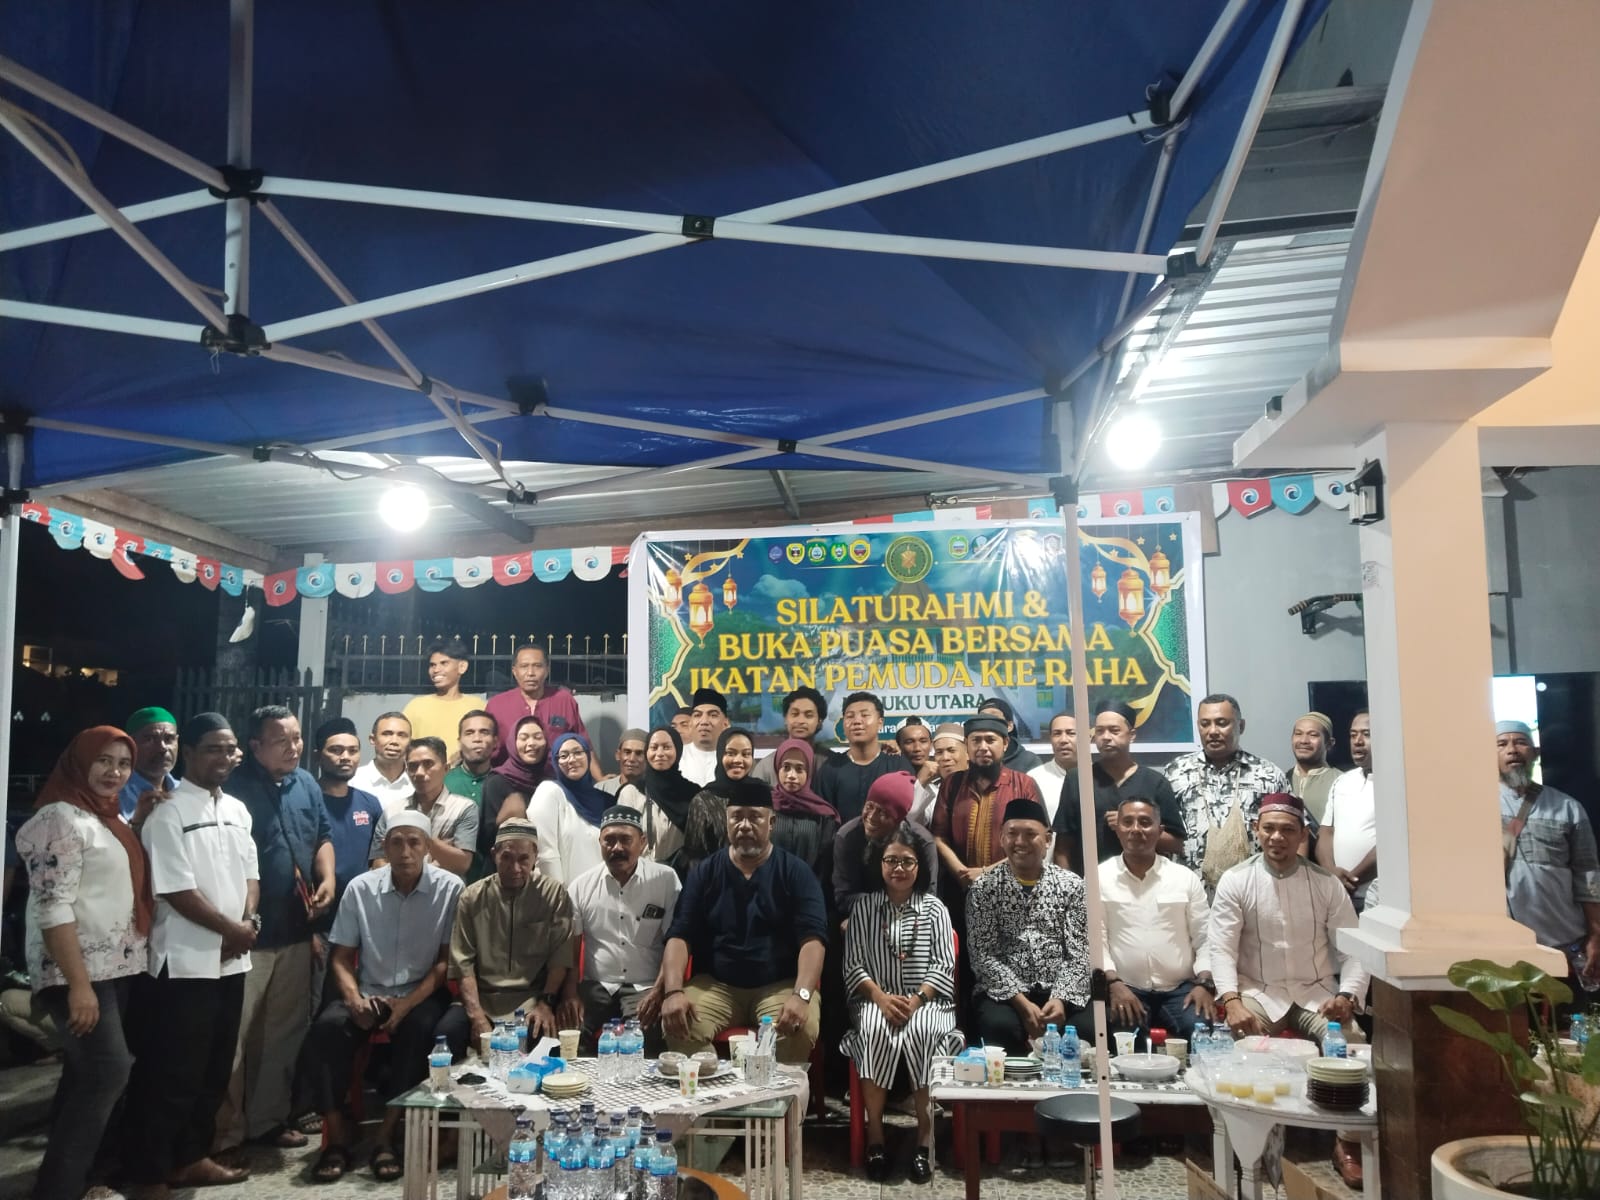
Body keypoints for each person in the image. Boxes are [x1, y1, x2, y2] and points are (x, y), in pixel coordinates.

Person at [14, 727, 151, 1200]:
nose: (114, 772)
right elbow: (52, 907)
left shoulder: (104, 816)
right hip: (77, 971)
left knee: (86, 1077)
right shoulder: (58, 818)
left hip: (114, 966)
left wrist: (137, 822)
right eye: (103, 760)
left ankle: (83, 1182)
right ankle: (59, 1189)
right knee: (107, 1071)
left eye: (123, 763)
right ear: (79, 761)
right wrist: (78, 985)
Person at [125, 713, 258, 1197]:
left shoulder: (239, 810)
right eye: (212, 749)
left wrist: (248, 925)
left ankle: (190, 1157)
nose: (224, 757)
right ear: (190, 754)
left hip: (231, 961)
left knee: (214, 1070)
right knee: (171, 1074)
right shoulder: (168, 812)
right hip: (182, 963)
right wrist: (231, 930)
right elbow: (174, 889)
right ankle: (147, 1174)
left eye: (230, 749)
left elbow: (251, 876)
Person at [1210, 792, 1368, 1187]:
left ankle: (1348, 1143)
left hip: (1316, 994)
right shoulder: (1237, 880)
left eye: (1286, 830)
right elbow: (1221, 949)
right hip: (1258, 992)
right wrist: (1231, 1000)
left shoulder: (1326, 884)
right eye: (1269, 829)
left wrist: (1347, 996)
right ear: (1256, 830)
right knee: (1242, 1039)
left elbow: (1353, 950)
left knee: (1351, 1042)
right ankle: (1252, 1145)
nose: (1277, 837)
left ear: (1302, 835)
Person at [303, 812, 464, 1184]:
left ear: (427, 847)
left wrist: (405, 1005)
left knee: (421, 1029)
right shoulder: (360, 888)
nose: (405, 851)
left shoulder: (450, 888)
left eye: (414, 842)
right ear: (384, 847)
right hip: (369, 991)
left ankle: (385, 1136)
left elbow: (444, 964)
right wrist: (355, 1000)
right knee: (326, 1029)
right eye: (396, 842)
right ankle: (337, 1135)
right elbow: (341, 958)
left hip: (420, 992)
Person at [217, 706, 335, 1157]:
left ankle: (267, 1120)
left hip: (297, 929)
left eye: (297, 738)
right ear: (255, 746)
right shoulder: (232, 788)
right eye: (281, 740)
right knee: (235, 1036)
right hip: (245, 935)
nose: (294, 747)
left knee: (283, 1034)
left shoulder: (306, 783)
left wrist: (328, 878)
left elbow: (322, 835)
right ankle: (224, 1132)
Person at [659, 782, 828, 1063]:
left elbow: (813, 941)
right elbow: (680, 935)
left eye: (754, 817)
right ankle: (720, 1086)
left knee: (800, 1027)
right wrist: (673, 991)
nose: (745, 825)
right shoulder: (705, 872)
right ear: (726, 822)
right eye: (737, 817)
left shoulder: (796, 872)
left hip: (779, 985)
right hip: (717, 986)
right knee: (678, 1022)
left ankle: (770, 1092)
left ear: (771, 823)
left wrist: (801, 995)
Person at [842, 826, 961, 1185]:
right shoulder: (863, 907)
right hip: (875, 999)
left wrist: (917, 999)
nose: (898, 868)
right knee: (874, 1030)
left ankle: (925, 1137)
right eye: (891, 860)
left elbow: (944, 964)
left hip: (927, 1000)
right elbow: (853, 965)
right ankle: (876, 1136)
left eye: (907, 861)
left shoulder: (935, 909)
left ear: (919, 866)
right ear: (879, 864)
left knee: (924, 1031)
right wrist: (880, 998)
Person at [965, 797, 1091, 1052]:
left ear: (1048, 840)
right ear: (1002, 839)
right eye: (1012, 834)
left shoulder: (1072, 886)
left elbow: (1080, 952)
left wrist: (1060, 999)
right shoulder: (983, 888)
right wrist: (1022, 1004)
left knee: (1086, 1028)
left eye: (1030, 834)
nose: (1020, 842)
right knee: (1000, 1026)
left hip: (1062, 990)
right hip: (1005, 994)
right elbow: (982, 955)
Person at [442, 818, 576, 1051]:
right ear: (494, 854)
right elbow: (463, 965)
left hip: (532, 999)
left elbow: (560, 958)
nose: (515, 868)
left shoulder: (553, 894)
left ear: (535, 857)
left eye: (524, 859)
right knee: (448, 1033)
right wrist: (476, 1016)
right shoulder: (472, 898)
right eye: (506, 858)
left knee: (542, 1039)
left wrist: (546, 1003)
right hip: (482, 999)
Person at [561, 807, 681, 1054]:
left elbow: (674, 944)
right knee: (570, 1034)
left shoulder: (666, 880)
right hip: (597, 986)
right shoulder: (581, 886)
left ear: (642, 842)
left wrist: (660, 990)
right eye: (609, 840)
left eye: (626, 839)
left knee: (648, 1037)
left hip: (645, 986)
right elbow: (572, 950)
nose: (617, 848)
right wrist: (571, 994)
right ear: (600, 842)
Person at [1099, 797, 1215, 1040]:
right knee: (1126, 1038)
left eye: (1145, 822)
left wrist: (1204, 985)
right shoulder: (1099, 877)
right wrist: (1113, 983)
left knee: (1200, 1031)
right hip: (1125, 986)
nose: (1136, 829)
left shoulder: (1184, 878)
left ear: (1160, 830)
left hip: (1180, 989)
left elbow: (1205, 938)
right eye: (1128, 822)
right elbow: (1097, 940)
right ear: (1117, 828)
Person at [1498, 720, 1600, 979]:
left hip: (1563, 944)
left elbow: (1587, 874)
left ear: (1535, 753)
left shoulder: (1568, 807)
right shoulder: (1475, 804)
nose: (1512, 750)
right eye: (1502, 744)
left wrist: (1595, 935)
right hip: (1500, 947)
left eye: (1521, 742)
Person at [1163, 694, 1290, 891]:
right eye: (1205, 724)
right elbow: (1160, 832)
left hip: (1253, 889)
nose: (1213, 731)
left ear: (1241, 726)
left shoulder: (1269, 775)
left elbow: (1293, 832)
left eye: (1222, 723)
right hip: (1190, 891)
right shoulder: (1176, 772)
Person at [1051, 702, 1185, 874]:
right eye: (1100, 731)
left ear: (1132, 735)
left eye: (1114, 730)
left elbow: (1176, 844)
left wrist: (1131, 826)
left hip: (1145, 882)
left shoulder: (1155, 782)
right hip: (1090, 882)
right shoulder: (1078, 779)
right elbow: (1062, 847)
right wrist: (1069, 886)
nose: (1106, 737)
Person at [310, 717, 383, 1011]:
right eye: (336, 750)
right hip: (319, 924)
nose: (346, 757)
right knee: (311, 1006)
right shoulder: (306, 800)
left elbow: (378, 860)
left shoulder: (369, 804)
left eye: (352, 751)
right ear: (318, 755)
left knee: (351, 1005)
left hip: (359, 925)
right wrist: (307, 931)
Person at [931, 715, 1045, 890]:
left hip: (1012, 889)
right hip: (959, 890)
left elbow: (1037, 841)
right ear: (966, 745)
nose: (983, 747)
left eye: (990, 740)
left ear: (1005, 743)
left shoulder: (1023, 784)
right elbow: (938, 837)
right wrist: (961, 872)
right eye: (976, 740)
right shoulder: (952, 784)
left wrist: (986, 873)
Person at [833, 771, 939, 920]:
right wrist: (882, 909)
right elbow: (845, 896)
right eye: (869, 806)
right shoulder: (847, 836)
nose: (871, 817)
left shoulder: (922, 841)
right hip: (864, 917)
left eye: (883, 812)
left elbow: (928, 896)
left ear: (899, 818)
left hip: (912, 919)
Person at [368, 736, 479, 878]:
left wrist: (409, 846)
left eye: (428, 764)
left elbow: (461, 864)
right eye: (413, 766)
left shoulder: (464, 808)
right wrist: (439, 849)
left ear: (446, 769)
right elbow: (378, 863)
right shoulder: (393, 811)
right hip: (397, 890)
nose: (419, 772)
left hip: (444, 890)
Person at [486, 642, 592, 769]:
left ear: (547, 670)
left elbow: (583, 746)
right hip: (509, 777)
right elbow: (486, 748)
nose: (530, 673)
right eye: (524, 666)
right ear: (514, 671)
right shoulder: (496, 705)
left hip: (555, 776)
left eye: (537, 666)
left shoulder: (564, 701)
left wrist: (600, 777)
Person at [526, 733, 611, 883]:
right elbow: (546, 855)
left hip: (604, 891)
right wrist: (557, 894)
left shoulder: (606, 800)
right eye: (564, 756)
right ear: (555, 761)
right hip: (566, 892)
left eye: (578, 752)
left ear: (588, 756)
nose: (572, 760)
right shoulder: (549, 792)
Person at [681, 728, 764, 873]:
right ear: (720, 754)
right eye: (731, 753)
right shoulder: (704, 801)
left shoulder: (763, 794)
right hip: (717, 881)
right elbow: (694, 856)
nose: (738, 760)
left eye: (746, 754)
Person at [1316, 711, 1377, 911]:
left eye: (1367, 734)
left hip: (1375, 897)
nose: (1358, 741)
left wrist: (1350, 880)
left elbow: (1392, 844)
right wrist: (1331, 874)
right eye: (1353, 735)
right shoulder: (1342, 781)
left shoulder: (1397, 782)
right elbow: (1326, 832)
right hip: (1339, 898)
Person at [768, 738, 841, 888]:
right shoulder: (765, 808)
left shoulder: (823, 815)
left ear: (809, 772)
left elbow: (825, 865)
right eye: (786, 767)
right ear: (777, 768)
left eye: (799, 769)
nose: (791, 775)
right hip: (768, 890)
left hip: (808, 890)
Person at [816, 692, 899, 823]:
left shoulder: (897, 766)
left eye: (865, 715)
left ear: (880, 723)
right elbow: (823, 818)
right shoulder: (830, 768)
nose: (856, 721)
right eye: (850, 716)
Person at [479, 714, 550, 865]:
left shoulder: (552, 781)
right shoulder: (497, 781)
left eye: (538, 737)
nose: (531, 743)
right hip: (504, 868)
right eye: (524, 738)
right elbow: (484, 841)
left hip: (544, 865)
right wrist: (506, 822)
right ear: (513, 742)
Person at [401, 636, 486, 763]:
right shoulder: (416, 706)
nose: (436, 670)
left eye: (444, 663)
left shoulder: (478, 706)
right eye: (432, 665)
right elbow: (403, 744)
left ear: (462, 667)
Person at [632, 726, 697, 872]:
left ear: (678, 750)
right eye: (654, 747)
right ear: (647, 752)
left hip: (682, 876)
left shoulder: (693, 793)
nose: (660, 753)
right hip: (641, 875)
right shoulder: (632, 792)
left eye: (666, 747)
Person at [752, 686, 832, 786]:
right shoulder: (766, 767)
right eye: (795, 714)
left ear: (820, 721)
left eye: (808, 715)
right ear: (785, 719)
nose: (800, 721)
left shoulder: (832, 764)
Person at [119, 705, 179, 820]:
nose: (162, 748)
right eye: (150, 739)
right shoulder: (114, 794)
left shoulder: (184, 790)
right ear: (130, 744)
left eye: (168, 739)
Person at [351, 711, 413, 815]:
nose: (394, 741)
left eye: (402, 735)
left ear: (410, 742)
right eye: (387, 734)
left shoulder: (418, 783)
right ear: (372, 739)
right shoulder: (354, 781)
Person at [1287, 713, 1340, 823]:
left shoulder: (1342, 782)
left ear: (1329, 743)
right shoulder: (1282, 780)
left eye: (1313, 735)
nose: (1303, 740)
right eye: (1298, 734)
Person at [1027, 712, 1076, 825]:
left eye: (1071, 733)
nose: (1063, 740)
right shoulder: (1034, 779)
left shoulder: (1098, 776)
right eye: (1057, 734)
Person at [444, 710, 499, 807]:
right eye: (469, 733)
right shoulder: (442, 781)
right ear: (459, 742)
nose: (477, 739)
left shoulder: (504, 785)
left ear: (495, 742)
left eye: (484, 732)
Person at [893, 718, 940, 827]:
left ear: (931, 744)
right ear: (899, 746)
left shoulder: (939, 785)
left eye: (923, 741)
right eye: (909, 742)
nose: (917, 748)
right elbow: (904, 825)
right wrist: (921, 781)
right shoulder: (892, 782)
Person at [679, 687, 730, 787]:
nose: (704, 722)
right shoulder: (676, 757)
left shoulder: (736, 759)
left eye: (713, 715)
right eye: (697, 715)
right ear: (690, 724)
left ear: (726, 724)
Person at [977, 697, 1042, 772]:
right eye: (982, 718)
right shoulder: (973, 758)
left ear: (1009, 726)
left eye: (994, 717)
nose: (987, 722)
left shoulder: (1029, 761)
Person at [598, 727, 649, 796]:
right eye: (627, 752)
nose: (632, 759)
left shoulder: (656, 792)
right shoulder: (601, 789)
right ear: (618, 755)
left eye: (639, 753)